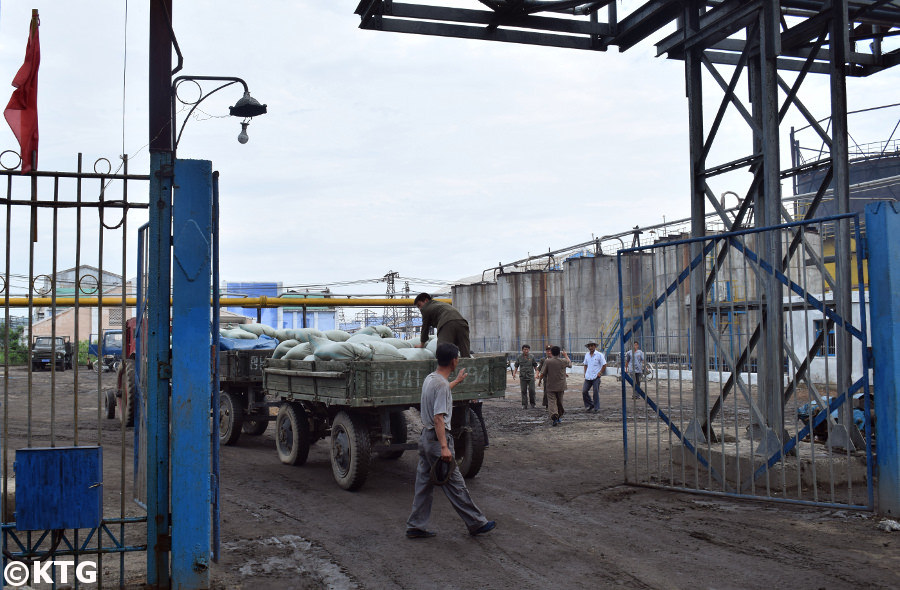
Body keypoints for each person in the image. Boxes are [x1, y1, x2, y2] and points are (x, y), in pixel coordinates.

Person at [405, 342, 496, 539]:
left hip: (426, 440)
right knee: (455, 484)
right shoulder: (441, 385)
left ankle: (415, 525)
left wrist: (457, 381)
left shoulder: (431, 379)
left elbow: (442, 391)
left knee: (423, 485)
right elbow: (439, 417)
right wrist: (444, 447)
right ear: (454, 361)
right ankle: (476, 522)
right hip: (438, 442)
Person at [414, 293, 471, 358]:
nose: (420, 308)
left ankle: (446, 367)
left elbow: (425, 327)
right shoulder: (440, 304)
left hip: (447, 323)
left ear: (426, 300)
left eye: (419, 305)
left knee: (442, 352)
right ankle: (467, 367)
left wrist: (422, 344)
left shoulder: (426, 308)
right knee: (465, 353)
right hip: (462, 323)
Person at [538, 346, 571, 426]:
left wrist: (539, 381)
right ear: (559, 353)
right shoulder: (563, 361)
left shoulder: (548, 361)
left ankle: (554, 415)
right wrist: (566, 355)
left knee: (552, 401)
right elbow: (570, 364)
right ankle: (559, 415)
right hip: (561, 385)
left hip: (550, 386)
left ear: (551, 353)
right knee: (559, 401)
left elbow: (543, 373)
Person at [581, 342, 607, 412]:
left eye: (592, 346)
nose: (590, 347)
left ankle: (596, 407)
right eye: (589, 346)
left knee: (595, 391)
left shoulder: (599, 355)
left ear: (595, 346)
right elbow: (585, 364)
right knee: (584, 391)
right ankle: (589, 404)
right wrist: (585, 373)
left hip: (596, 376)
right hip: (588, 376)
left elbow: (604, 365)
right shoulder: (587, 355)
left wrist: (600, 372)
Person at [512, 344, 538, 409]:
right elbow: (516, 366)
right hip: (523, 376)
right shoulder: (519, 357)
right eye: (524, 349)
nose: (526, 351)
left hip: (531, 376)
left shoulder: (532, 357)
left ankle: (533, 403)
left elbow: (535, 365)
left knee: (532, 390)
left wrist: (537, 374)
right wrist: (514, 373)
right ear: (522, 350)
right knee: (523, 391)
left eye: (527, 349)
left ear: (529, 350)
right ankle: (524, 404)